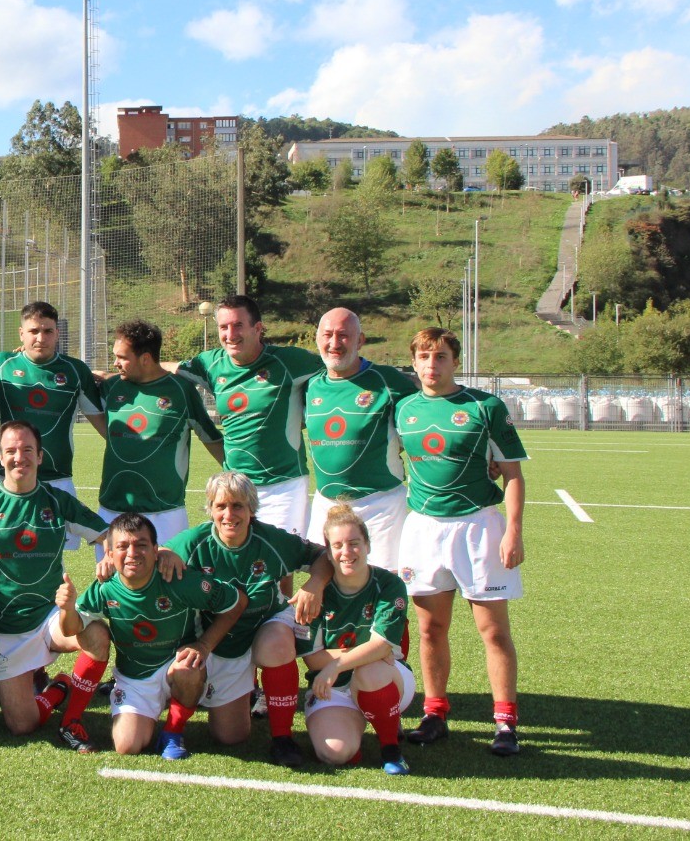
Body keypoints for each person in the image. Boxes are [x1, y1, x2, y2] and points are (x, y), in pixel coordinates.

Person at [395, 328, 527, 756]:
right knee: (431, 628)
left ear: (456, 361)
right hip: (424, 528)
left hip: (478, 528)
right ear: (413, 363)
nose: (432, 364)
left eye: (441, 356)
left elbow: (512, 475)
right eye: (424, 356)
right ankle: (435, 714)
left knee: (493, 631)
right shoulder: (403, 409)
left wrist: (513, 531)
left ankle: (505, 723)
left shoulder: (484, 406)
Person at [0, 420, 108, 742]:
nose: (19, 457)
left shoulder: (57, 500)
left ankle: (73, 719)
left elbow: (107, 533)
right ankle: (58, 689)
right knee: (22, 725)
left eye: (27, 450)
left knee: (97, 635)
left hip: (51, 619)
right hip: (5, 627)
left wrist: (119, 551)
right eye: (10, 451)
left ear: (40, 456)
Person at [168, 471, 330, 768]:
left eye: (238, 506)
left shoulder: (272, 540)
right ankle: (238, 690)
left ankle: (282, 737)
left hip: (263, 626)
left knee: (278, 645)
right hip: (217, 641)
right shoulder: (195, 542)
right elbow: (156, 554)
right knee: (231, 736)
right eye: (221, 506)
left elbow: (321, 555)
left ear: (251, 509)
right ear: (211, 509)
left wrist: (314, 584)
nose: (229, 514)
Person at [60, 513, 245, 760]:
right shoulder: (105, 588)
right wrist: (67, 608)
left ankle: (173, 732)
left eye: (141, 545)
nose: (132, 553)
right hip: (135, 677)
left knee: (189, 669)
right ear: (110, 554)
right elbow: (71, 629)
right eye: (123, 546)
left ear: (156, 549)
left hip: (177, 665)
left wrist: (204, 645)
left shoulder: (178, 579)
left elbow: (238, 601)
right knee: (127, 746)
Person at [174, 294, 324, 536]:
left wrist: (309, 417)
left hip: (283, 485)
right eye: (224, 327)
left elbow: (339, 372)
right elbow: (164, 371)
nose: (230, 334)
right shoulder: (209, 363)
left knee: (281, 562)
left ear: (258, 328)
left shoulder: (290, 361)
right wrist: (114, 375)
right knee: (235, 558)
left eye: (238, 325)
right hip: (235, 486)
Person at [299, 502, 414, 774]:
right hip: (333, 687)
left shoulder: (389, 585)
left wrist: (338, 663)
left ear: (367, 545)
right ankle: (361, 724)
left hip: (386, 677)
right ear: (327, 552)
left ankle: (390, 749)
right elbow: (313, 659)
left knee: (370, 667)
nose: (346, 552)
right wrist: (369, 650)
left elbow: (383, 647)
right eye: (337, 545)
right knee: (333, 753)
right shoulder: (314, 593)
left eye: (354, 543)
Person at [303, 308, 415, 571]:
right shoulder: (309, 385)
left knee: (381, 585)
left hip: (380, 504)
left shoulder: (388, 381)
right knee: (325, 580)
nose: (334, 343)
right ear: (317, 339)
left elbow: (426, 416)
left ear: (360, 340)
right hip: (327, 504)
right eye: (327, 335)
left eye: (343, 335)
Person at [99, 319, 224, 555]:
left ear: (145, 358)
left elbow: (211, 438)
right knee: (112, 586)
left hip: (165, 512)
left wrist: (239, 479)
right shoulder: (112, 386)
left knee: (168, 585)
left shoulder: (181, 391)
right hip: (112, 509)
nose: (115, 363)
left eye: (122, 357)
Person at [0, 302, 107, 513]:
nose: (41, 338)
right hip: (8, 478)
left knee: (53, 545)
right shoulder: (1, 363)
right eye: (33, 331)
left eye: (48, 331)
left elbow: (104, 426)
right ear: (21, 333)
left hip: (57, 481)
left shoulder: (76, 371)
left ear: (57, 334)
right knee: (0, 545)